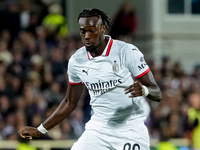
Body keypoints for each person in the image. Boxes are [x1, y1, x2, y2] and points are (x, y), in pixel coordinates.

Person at [18, 8, 162, 150]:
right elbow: (69, 102)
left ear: (102, 29)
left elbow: (157, 93)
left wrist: (143, 90)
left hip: (130, 130)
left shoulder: (126, 51)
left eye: (91, 31)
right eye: (83, 31)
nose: (86, 36)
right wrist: (40, 130)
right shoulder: (77, 61)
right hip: (98, 131)